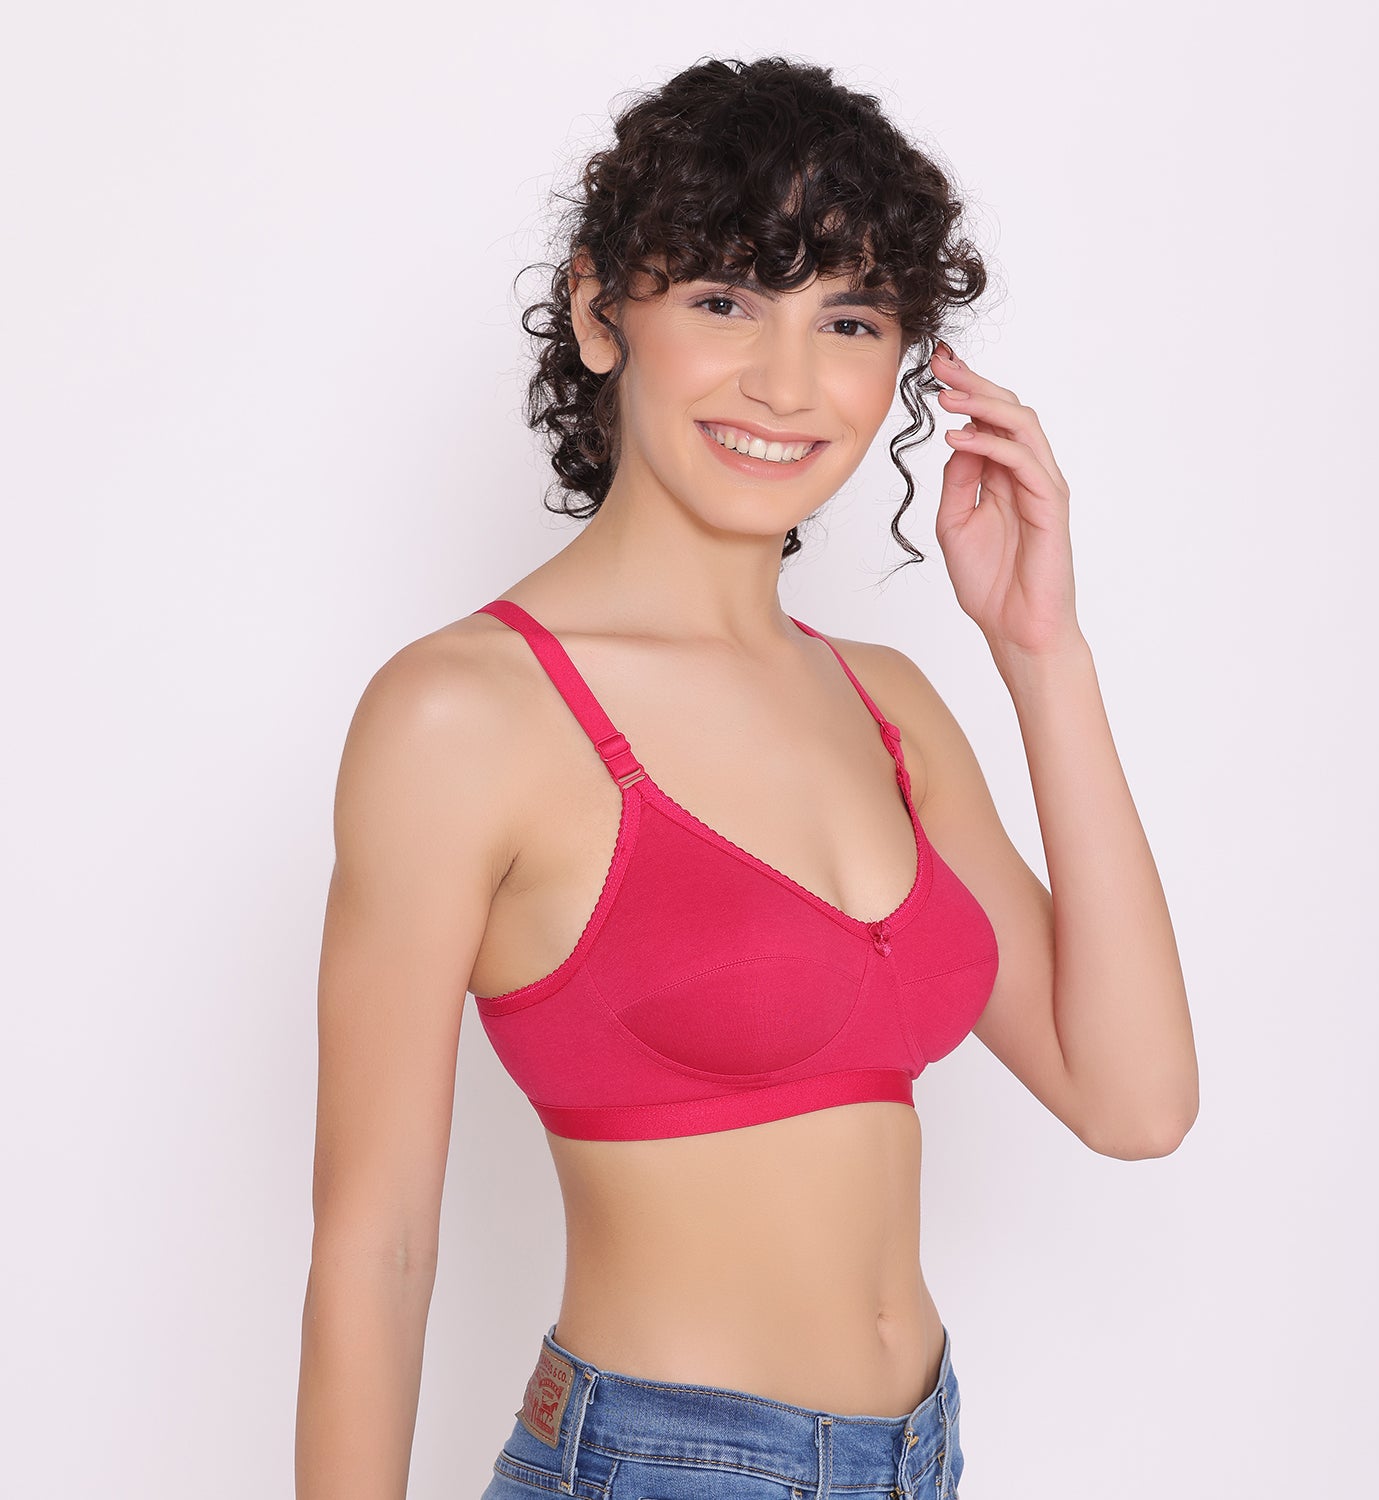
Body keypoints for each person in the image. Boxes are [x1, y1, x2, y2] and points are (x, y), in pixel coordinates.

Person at [295, 55, 1198, 1500]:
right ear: (602, 313)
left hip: (920, 1459)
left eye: (848, 319)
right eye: (725, 300)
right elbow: (377, 1243)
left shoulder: (888, 707)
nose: (786, 382)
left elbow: (1134, 1099)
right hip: (662, 1468)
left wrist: (1043, 652)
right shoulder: (465, 715)